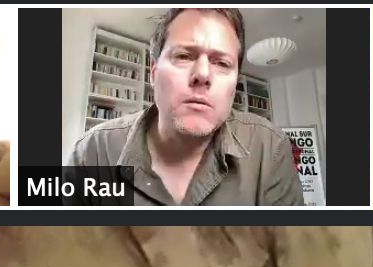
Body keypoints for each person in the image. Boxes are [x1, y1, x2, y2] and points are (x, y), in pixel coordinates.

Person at [68, 7, 303, 207]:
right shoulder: (94, 152)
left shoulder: (269, 148)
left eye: (222, 63)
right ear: (153, 73)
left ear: (234, 86)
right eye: (183, 56)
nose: (203, 74)